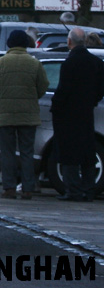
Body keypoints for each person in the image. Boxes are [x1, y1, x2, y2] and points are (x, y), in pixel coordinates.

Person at [0, 29, 49, 199]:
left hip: (5, 115)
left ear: (10, 44)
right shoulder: (34, 63)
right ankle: (28, 188)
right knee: (27, 152)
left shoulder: (1, 62)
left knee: (7, 152)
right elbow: (43, 86)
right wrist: (31, 97)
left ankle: (9, 188)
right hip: (28, 115)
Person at [50, 27, 104, 201]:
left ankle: (73, 189)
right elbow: (100, 88)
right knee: (88, 151)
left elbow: (63, 90)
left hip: (68, 114)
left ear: (69, 42)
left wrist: (56, 106)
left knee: (69, 153)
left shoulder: (69, 63)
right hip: (86, 113)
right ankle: (89, 189)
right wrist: (92, 101)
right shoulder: (96, 62)